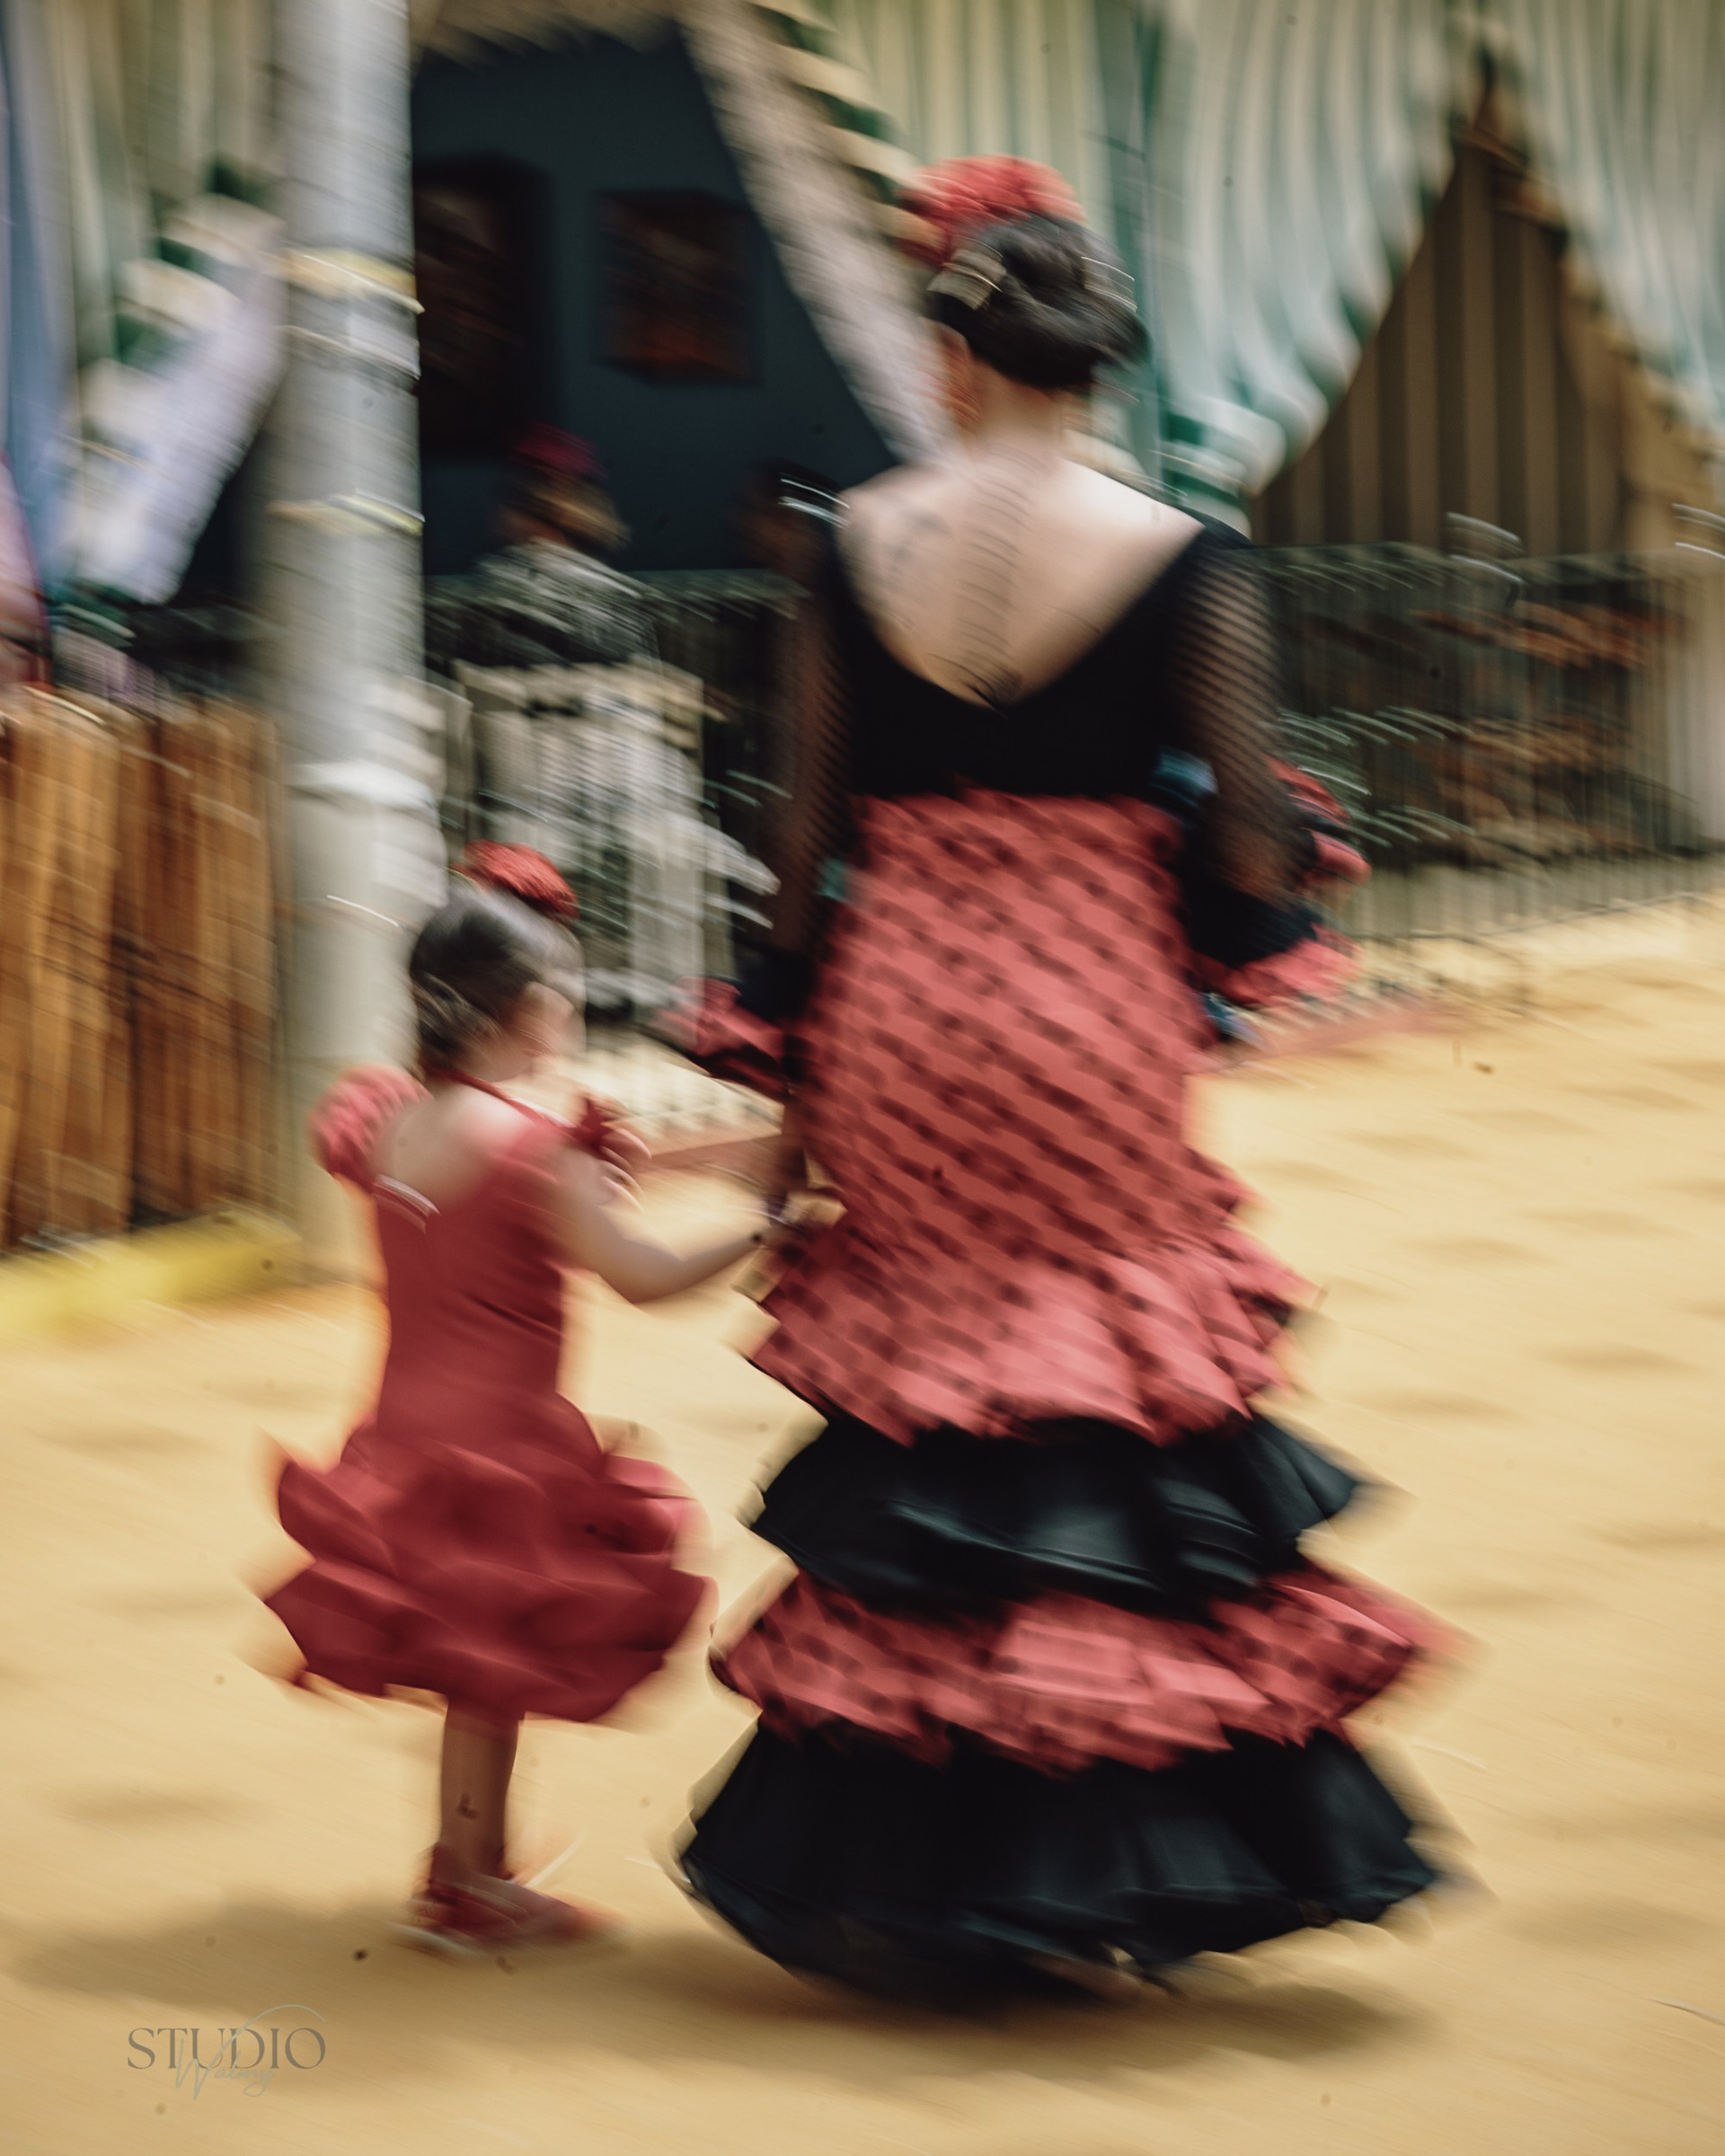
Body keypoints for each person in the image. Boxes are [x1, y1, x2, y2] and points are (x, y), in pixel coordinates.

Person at [666, 156, 1447, 2002]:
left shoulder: (855, 543)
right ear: (1091, 370)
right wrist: (1262, 924)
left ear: (954, 357)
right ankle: (1106, 1850)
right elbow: (1244, 842)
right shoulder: (1184, 555)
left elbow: (803, 830)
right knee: (1098, 1385)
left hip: (905, 1004)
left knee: (942, 1391)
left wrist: (786, 1032)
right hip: (1089, 1004)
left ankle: (921, 1863)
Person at [256, 844, 766, 1959]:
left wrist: (711, 1162)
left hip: (402, 1434)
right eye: (565, 991)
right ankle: (472, 1883)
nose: (573, 1009)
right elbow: (641, 1274)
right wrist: (764, 1228)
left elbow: (538, 1186)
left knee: (473, 1668)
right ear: (528, 1010)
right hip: (506, 1447)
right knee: (490, 1666)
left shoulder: (389, 1126)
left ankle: (465, 1871)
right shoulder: (537, 1149)